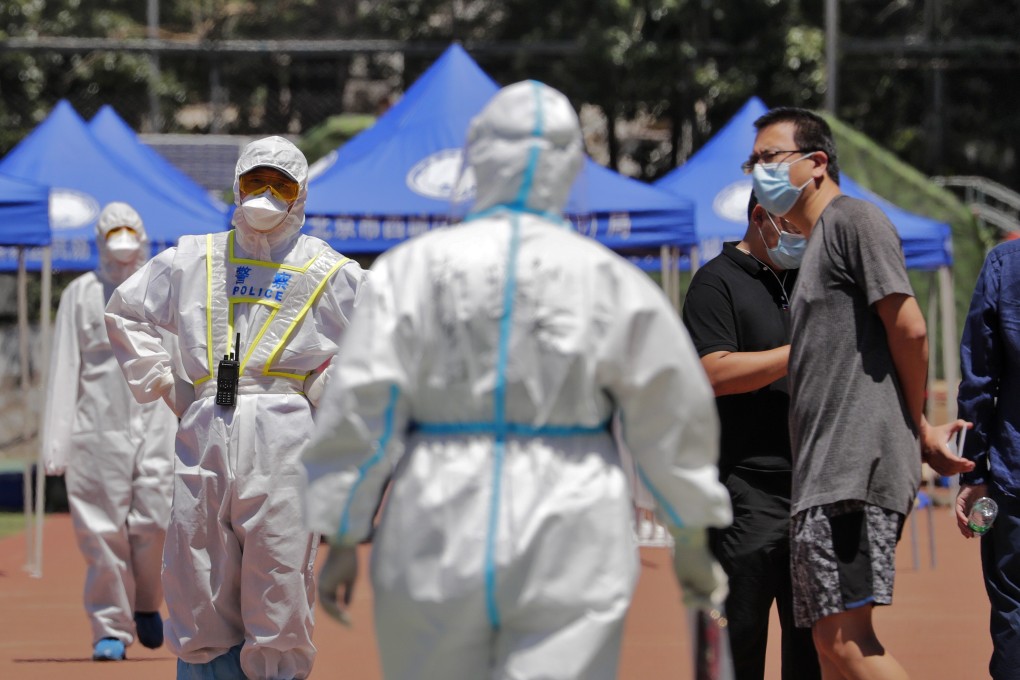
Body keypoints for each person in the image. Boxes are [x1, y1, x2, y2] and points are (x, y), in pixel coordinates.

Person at [302, 80, 732, 680]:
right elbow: (671, 415)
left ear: (478, 156)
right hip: (574, 518)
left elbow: (362, 404)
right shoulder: (609, 280)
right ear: (571, 164)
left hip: (438, 512)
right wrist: (690, 533)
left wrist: (344, 530)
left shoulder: (411, 271)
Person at [104, 136, 367, 680]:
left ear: (300, 195)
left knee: (279, 573)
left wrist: (325, 385)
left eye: (280, 185)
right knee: (195, 567)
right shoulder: (195, 257)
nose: (266, 195)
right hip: (206, 423)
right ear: (237, 186)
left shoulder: (326, 268)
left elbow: (386, 334)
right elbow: (125, 309)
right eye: (255, 181)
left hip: (284, 429)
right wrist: (166, 383)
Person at [747, 106, 972, 680]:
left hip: (854, 468)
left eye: (770, 157)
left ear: (817, 162)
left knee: (845, 640)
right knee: (830, 648)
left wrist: (916, 428)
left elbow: (910, 329)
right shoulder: (815, 245)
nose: (759, 171)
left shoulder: (854, 221)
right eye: (754, 162)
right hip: (824, 473)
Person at [681, 192, 821, 680]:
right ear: (760, 217)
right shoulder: (714, 282)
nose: (803, 237)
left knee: (814, 652)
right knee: (737, 648)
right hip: (745, 492)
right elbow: (713, 372)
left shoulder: (812, 281)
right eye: (794, 226)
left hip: (813, 491)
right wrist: (801, 349)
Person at [41, 202, 176, 662]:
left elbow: (183, 356)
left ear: (142, 240)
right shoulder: (80, 294)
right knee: (102, 531)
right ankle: (111, 627)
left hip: (157, 420)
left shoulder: (162, 287)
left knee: (156, 521)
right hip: (97, 428)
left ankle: (146, 602)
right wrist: (56, 442)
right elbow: (65, 367)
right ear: (100, 243)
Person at [955, 239, 1020, 679]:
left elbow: (979, 379)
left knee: (1015, 610)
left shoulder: (1006, 264)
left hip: (1014, 477)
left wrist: (972, 470)